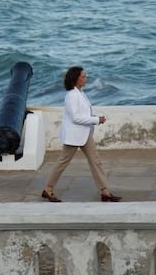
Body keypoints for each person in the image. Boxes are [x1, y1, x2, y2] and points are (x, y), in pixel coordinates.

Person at [41, 66, 122, 203]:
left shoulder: (80, 93)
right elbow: (76, 118)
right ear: (76, 79)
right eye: (83, 76)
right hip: (74, 135)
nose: (86, 78)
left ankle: (105, 192)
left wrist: (94, 118)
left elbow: (83, 114)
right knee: (63, 162)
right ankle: (48, 189)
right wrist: (96, 120)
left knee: (96, 161)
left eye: (85, 76)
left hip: (84, 134)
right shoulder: (72, 95)